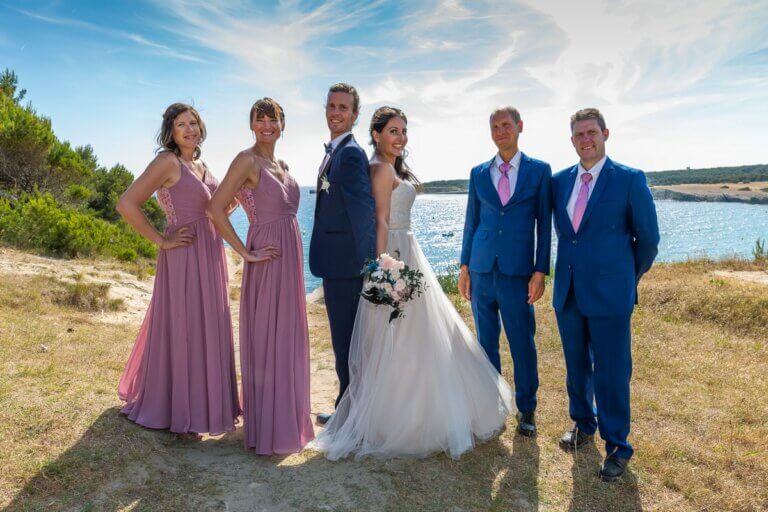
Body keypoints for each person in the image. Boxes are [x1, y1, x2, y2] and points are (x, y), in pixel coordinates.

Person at [309, 107, 513, 460]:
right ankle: (392, 415)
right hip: (394, 252)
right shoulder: (380, 168)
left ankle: (425, 408)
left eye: (403, 131)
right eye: (393, 131)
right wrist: (381, 267)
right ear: (376, 134)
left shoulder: (393, 167)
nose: (400, 138)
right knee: (394, 335)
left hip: (409, 249)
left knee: (419, 334)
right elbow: (381, 220)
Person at [117, 103, 240, 436]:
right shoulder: (166, 162)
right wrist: (161, 239)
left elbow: (214, 209)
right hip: (183, 254)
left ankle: (207, 406)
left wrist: (237, 196)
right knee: (184, 326)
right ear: (170, 132)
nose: (189, 129)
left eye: (194, 123)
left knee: (209, 324)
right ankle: (177, 407)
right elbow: (126, 203)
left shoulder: (201, 164)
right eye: (181, 124)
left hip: (211, 253)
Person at [551, 108, 659, 481]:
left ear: (605, 134)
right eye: (579, 134)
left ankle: (617, 446)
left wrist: (627, 279)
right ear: (572, 140)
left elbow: (648, 240)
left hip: (611, 294)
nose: (586, 139)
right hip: (568, 292)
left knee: (612, 372)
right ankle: (583, 425)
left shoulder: (629, 179)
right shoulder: (559, 181)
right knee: (576, 366)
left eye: (591, 132)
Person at [207, 98, 314, 454]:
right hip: (266, 259)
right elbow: (215, 208)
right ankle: (269, 427)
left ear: (283, 125)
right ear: (251, 124)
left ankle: (287, 420)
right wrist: (245, 252)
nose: (267, 124)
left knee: (287, 337)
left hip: (289, 259)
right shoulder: (246, 160)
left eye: (274, 119)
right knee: (269, 337)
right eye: (260, 118)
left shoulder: (281, 164)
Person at [459, 106, 552, 438]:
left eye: (506, 125)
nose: (501, 131)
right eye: (495, 126)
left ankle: (527, 409)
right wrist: (465, 266)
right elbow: (472, 220)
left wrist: (541, 271)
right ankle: (491, 405)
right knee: (486, 344)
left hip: (517, 272)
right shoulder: (478, 173)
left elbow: (545, 224)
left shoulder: (539, 172)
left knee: (521, 342)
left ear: (519, 127)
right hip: (482, 269)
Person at [308, 83, 376, 425]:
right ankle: (347, 407)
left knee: (347, 345)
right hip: (339, 264)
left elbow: (363, 213)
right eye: (332, 106)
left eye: (343, 108)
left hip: (347, 266)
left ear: (355, 115)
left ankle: (349, 414)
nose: (336, 112)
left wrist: (367, 267)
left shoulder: (349, 154)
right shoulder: (335, 150)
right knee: (344, 342)